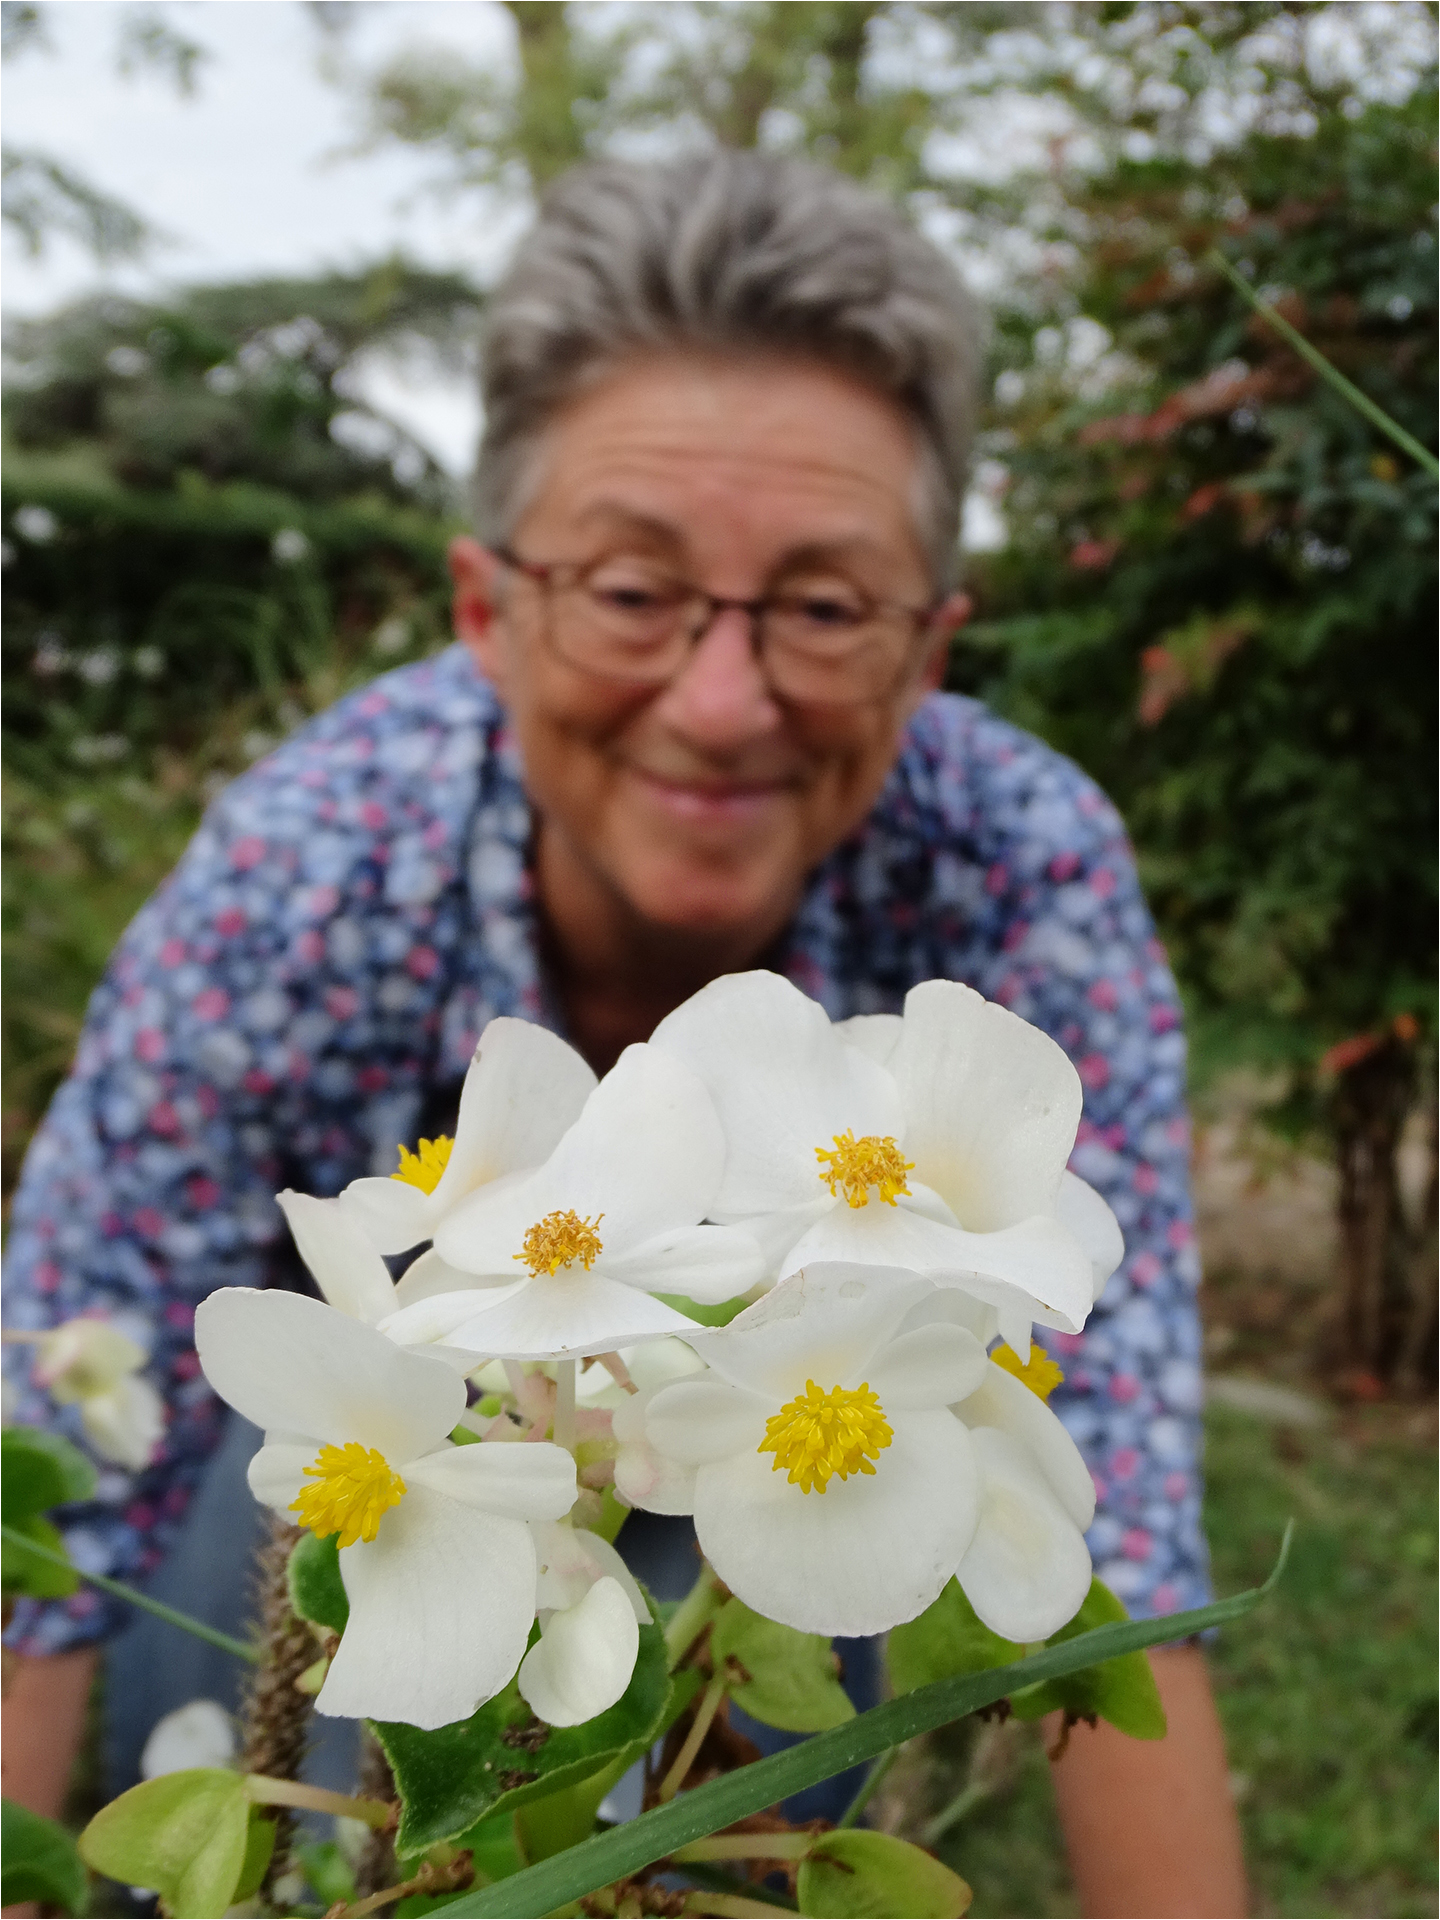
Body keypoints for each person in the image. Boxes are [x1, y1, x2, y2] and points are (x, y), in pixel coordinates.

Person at [1, 150, 1245, 1915]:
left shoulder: (1018, 861)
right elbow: (82, 1353)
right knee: (258, 1560)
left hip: (778, 1435)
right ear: (487, 611)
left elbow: (1101, 1441)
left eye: (825, 606)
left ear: (929, 648)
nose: (721, 703)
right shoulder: (319, 851)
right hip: (383, 1462)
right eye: (632, 588)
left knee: (832, 1557)